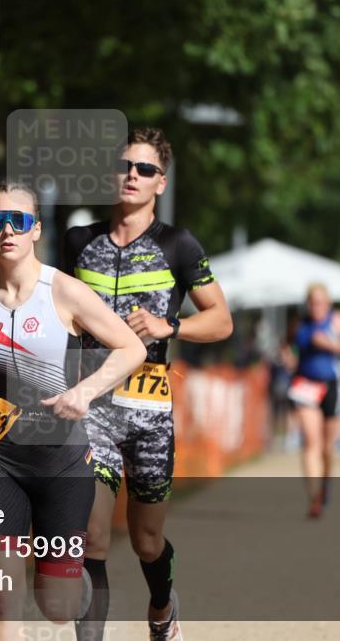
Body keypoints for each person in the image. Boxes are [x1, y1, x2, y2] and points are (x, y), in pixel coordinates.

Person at [0, 181, 146, 640]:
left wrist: (86, 391)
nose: (8, 229)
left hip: (62, 458)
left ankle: (83, 590)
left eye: (20, 221)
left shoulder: (65, 292)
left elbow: (131, 348)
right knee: (1, 591)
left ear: (36, 230)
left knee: (57, 606)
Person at [62, 128, 233, 641]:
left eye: (144, 169)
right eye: (124, 167)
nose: (131, 176)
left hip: (149, 413)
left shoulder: (178, 245)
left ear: (162, 181)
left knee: (146, 540)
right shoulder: (77, 241)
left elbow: (221, 320)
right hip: (91, 405)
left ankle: (162, 607)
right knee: (90, 535)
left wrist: (170, 326)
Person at [287, 283, 340, 519]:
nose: (316, 306)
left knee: (327, 447)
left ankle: (325, 484)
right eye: (312, 302)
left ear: (328, 303)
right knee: (311, 442)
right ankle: (314, 498)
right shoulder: (299, 322)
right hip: (305, 386)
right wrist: (288, 356)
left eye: (320, 302)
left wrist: (331, 344)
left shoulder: (337, 320)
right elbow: (287, 343)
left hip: (333, 386)